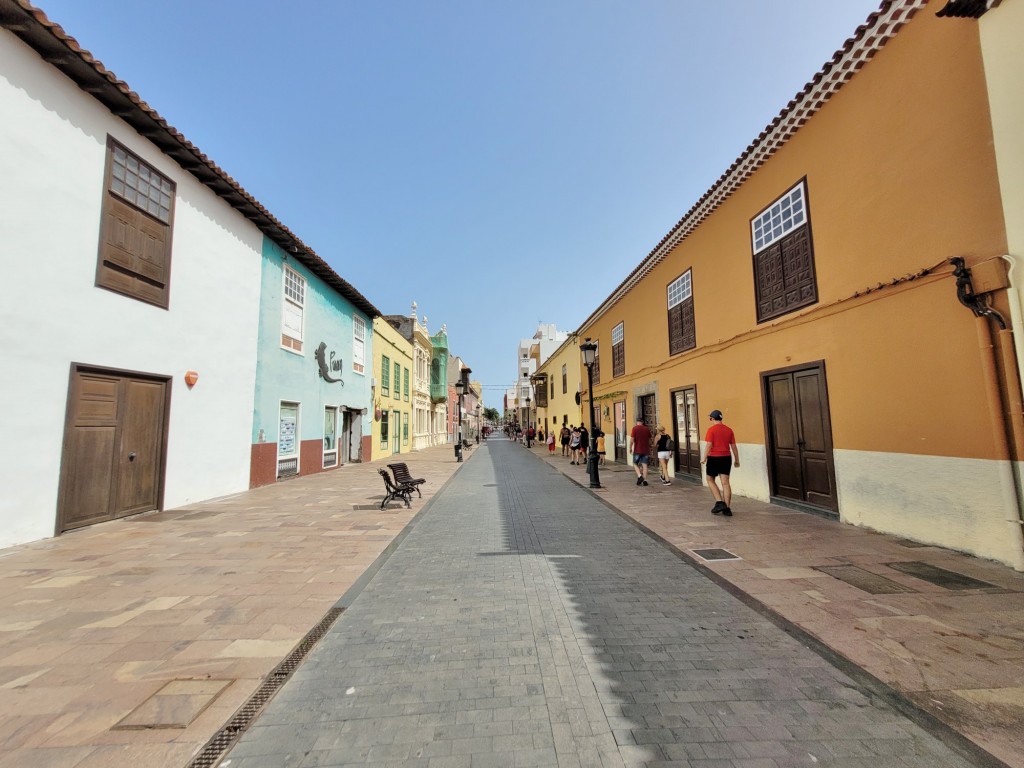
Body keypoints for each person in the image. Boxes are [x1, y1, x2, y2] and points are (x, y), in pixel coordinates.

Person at [701, 409, 740, 516]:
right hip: (726, 457)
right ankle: (727, 508)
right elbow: (733, 446)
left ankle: (719, 502)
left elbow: (709, 445)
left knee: (710, 479)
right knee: (725, 482)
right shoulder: (729, 430)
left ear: (712, 418)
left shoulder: (711, 430)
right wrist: (737, 459)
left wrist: (704, 458)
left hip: (714, 457)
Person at [628, 417, 652, 486]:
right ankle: (645, 480)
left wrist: (630, 448)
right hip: (646, 450)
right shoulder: (646, 429)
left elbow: (632, 440)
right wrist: (649, 447)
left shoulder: (635, 428)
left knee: (635, 463)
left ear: (637, 422)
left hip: (637, 450)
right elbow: (650, 440)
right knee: (645, 466)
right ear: (643, 422)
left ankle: (639, 476)